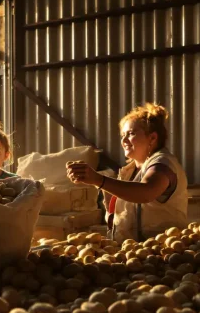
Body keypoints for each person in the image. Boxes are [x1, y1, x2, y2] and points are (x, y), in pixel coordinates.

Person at [66, 103, 188, 242]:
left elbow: (146, 192)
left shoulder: (163, 163)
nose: (124, 140)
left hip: (161, 249)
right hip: (132, 250)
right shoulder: (129, 171)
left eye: (131, 134)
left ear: (152, 138)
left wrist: (99, 180)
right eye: (122, 135)